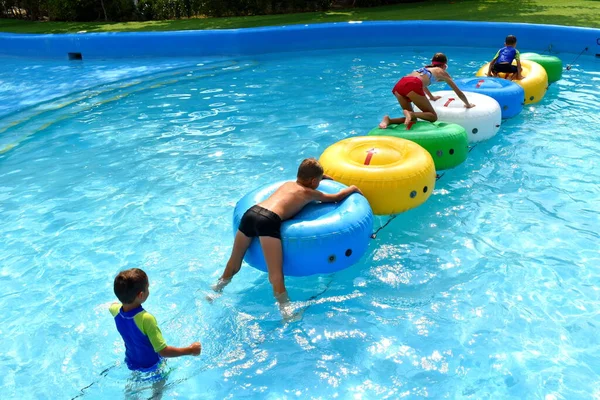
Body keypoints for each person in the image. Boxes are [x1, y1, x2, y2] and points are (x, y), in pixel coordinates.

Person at [210, 158, 362, 318]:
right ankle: (286, 311)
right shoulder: (309, 193)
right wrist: (352, 188)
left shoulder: (287, 184)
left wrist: (321, 178)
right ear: (313, 181)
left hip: (251, 213)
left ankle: (216, 290)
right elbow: (336, 197)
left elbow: (307, 180)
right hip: (268, 220)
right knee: (276, 273)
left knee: (234, 261)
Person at [109, 268, 201, 374]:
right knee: (159, 389)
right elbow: (163, 351)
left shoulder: (115, 311)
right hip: (153, 366)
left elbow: (112, 306)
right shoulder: (146, 319)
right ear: (141, 295)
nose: (149, 290)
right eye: (147, 288)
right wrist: (190, 350)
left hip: (131, 362)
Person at [379, 52, 475, 130]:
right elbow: (458, 92)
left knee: (413, 120)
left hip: (399, 85)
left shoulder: (425, 68)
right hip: (412, 84)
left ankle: (389, 120)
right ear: (445, 65)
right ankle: (411, 113)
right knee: (433, 117)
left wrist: (431, 97)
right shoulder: (441, 71)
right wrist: (468, 104)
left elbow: (422, 85)